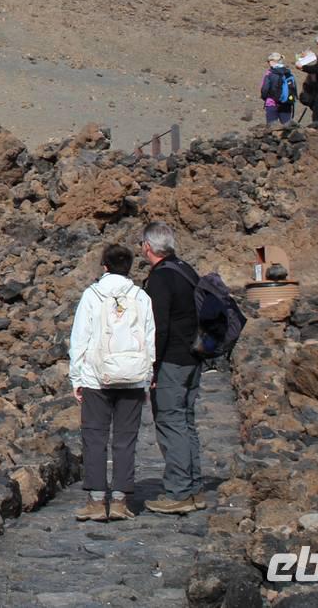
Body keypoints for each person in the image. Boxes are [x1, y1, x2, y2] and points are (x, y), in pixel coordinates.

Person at [70, 244, 155, 522]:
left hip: (96, 378)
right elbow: (150, 340)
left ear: (104, 266)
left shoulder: (91, 295)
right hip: (131, 378)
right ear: (129, 266)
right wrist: (146, 378)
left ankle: (96, 501)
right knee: (125, 439)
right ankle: (120, 500)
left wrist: (77, 378)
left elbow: (79, 339)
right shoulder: (141, 297)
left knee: (94, 437)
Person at [141, 221, 206, 515]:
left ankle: (178, 491)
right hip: (194, 356)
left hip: (172, 360)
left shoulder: (160, 279)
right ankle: (193, 488)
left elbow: (159, 327)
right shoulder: (186, 270)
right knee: (186, 421)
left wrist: (152, 366)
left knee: (170, 422)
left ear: (147, 247)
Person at [260, 53, 297, 126]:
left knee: (271, 127)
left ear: (272, 61)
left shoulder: (269, 73)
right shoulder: (288, 73)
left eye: (268, 61)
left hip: (272, 103)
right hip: (286, 104)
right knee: (287, 127)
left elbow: (264, 89)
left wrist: (265, 98)